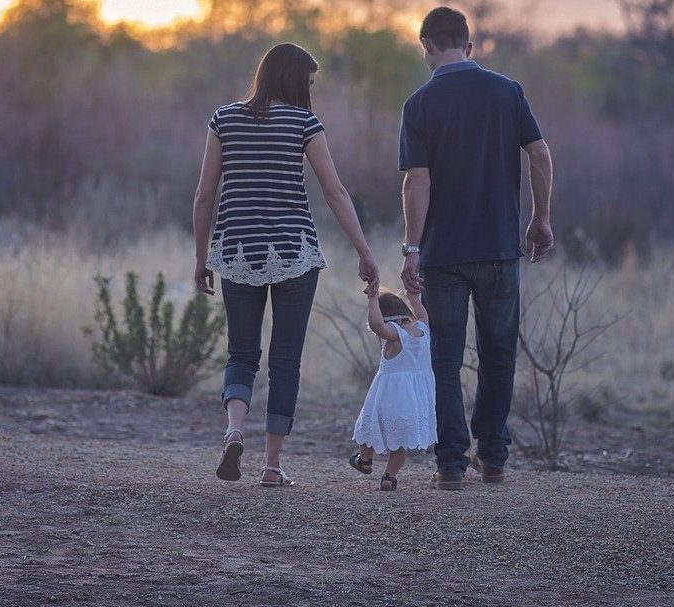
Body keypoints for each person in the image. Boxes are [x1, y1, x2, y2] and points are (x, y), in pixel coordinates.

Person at [192, 42, 379, 488]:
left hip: (236, 252)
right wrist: (364, 251)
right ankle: (272, 466)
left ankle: (234, 430)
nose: (311, 91)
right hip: (295, 252)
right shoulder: (304, 123)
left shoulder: (224, 119)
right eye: (309, 82)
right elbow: (335, 193)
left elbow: (203, 195)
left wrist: (202, 258)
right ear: (295, 80)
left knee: (241, 353)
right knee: (286, 361)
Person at [398, 7, 555, 491]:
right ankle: (493, 456)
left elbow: (416, 182)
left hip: (443, 255)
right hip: (500, 248)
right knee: (499, 353)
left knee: (444, 357)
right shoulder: (508, 92)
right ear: (469, 46)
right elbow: (540, 154)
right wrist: (540, 218)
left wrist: (411, 247)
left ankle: (450, 464)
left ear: (425, 45)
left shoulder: (419, 103)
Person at [349, 288, 436, 491]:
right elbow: (422, 314)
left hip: (388, 396)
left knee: (369, 426)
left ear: (387, 319)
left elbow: (377, 325)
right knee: (400, 440)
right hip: (414, 399)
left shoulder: (395, 335)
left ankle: (365, 460)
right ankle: (389, 477)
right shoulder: (423, 329)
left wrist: (372, 300)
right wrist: (414, 297)